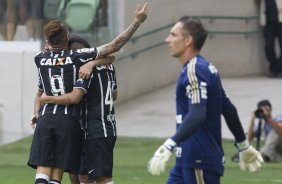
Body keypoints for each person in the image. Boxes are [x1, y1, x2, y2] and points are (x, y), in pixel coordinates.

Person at [27, 3, 148, 184]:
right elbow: (114, 48)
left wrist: (40, 107)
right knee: (72, 175)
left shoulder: (39, 58)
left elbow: (40, 91)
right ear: (66, 36)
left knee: (47, 173)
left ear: (48, 41)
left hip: (55, 120)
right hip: (72, 122)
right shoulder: (79, 58)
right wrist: (137, 22)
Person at [147, 16, 263, 184]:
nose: (167, 40)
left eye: (173, 35)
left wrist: (169, 144)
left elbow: (197, 114)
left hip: (199, 159)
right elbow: (228, 109)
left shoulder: (195, 70)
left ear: (187, 40)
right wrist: (243, 144)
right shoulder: (204, 68)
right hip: (187, 159)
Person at [41, 35, 117, 184]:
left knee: (102, 179)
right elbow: (114, 94)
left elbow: (74, 98)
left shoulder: (81, 70)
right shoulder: (108, 66)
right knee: (83, 176)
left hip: (95, 128)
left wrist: (47, 99)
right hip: (100, 127)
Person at [258, 0, 282, 77]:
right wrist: (262, 22)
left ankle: (280, 68)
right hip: (269, 24)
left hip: (280, 22)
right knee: (268, 46)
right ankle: (274, 68)